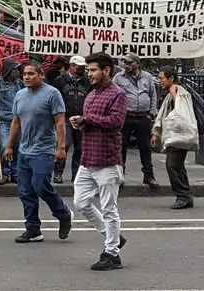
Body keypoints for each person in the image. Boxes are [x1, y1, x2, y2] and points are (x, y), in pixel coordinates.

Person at [71, 53, 129, 272]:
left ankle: (112, 254)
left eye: (93, 70)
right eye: (87, 71)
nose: (89, 74)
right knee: (81, 203)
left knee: (109, 209)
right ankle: (112, 236)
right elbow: (92, 123)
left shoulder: (118, 94)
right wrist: (81, 123)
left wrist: (88, 120)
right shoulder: (91, 94)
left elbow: (115, 122)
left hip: (107, 159)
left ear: (106, 71)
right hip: (88, 158)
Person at [7, 62, 73, 243]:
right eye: (24, 74)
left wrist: (61, 147)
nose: (26, 77)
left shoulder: (52, 94)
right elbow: (16, 122)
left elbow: (60, 122)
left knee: (41, 186)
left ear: (41, 75)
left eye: (31, 74)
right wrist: (9, 145)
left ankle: (63, 213)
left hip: (44, 149)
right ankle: (33, 229)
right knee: (25, 191)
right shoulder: (20, 95)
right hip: (24, 150)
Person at [151, 66, 196, 210]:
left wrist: (175, 94)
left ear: (171, 78)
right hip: (175, 135)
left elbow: (180, 113)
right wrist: (156, 133)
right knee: (178, 166)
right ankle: (186, 195)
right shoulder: (172, 93)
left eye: (161, 78)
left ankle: (182, 196)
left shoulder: (178, 92)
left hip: (178, 136)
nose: (159, 81)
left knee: (172, 165)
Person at [115, 53, 159, 188]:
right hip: (126, 116)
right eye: (125, 63)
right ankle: (120, 175)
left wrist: (151, 114)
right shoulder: (118, 78)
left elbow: (153, 95)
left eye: (129, 63)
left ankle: (148, 176)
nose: (126, 66)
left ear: (137, 64)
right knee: (122, 146)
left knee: (145, 147)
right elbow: (113, 95)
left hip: (143, 117)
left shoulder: (147, 77)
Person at [53, 55, 89, 183]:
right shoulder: (60, 80)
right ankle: (57, 172)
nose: (82, 69)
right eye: (79, 67)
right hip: (65, 117)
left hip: (81, 118)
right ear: (72, 67)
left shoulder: (86, 81)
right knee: (64, 145)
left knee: (80, 148)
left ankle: (76, 175)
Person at [0, 58, 23, 185]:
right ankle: (5, 173)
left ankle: (15, 173)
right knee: (4, 147)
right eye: (14, 69)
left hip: (18, 121)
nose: (17, 72)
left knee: (18, 147)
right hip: (3, 121)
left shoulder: (20, 84)